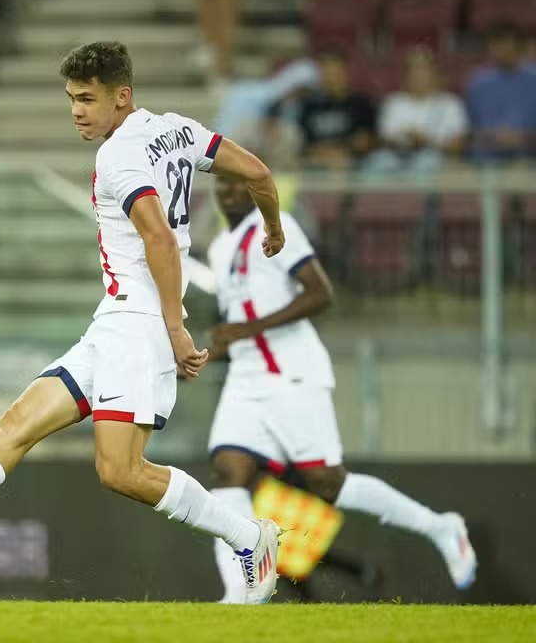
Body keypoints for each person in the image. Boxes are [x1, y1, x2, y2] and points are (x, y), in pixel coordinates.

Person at [0, 41, 288, 604]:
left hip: (140, 329)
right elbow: (259, 172)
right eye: (71, 98)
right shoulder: (178, 129)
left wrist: (174, 328)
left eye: (87, 99)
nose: (76, 110)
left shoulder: (117, 157)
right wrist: (272, 226)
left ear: (121, 96)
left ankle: (249, 539)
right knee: (17, 424)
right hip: (113, 325)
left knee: (121, 471)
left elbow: (159, 239)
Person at [203, 173, 478, 603]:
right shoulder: (220, 249)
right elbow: (239, 321)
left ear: (260, 191)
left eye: (238, 184)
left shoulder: (278, 229)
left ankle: (441, 527)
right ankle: (239, 590)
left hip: (293, 373)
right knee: (227, 472)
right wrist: (208, 351)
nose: (226, 191)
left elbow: (320, 293)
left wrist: (246, 329)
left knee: (329, 483)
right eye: (221, 184)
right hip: (246, 377)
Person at [366, 49, 468, 172]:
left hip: (437, 157)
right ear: (405, 75)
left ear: (434, 73)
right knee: (376, 163)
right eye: (413, 70)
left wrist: (427, 141)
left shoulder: (449, 103)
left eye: (424, 70)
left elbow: (458, 145)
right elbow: (383, 138)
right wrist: (407, 138)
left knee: (427, 162)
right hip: (397, 156)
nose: (419, 75)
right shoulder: (394, 102)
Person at [285, 50, 377, 170]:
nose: (330, 78)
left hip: (352, 161)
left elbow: (365, 141)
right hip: (314, 160)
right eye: (325, 73)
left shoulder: (360, 104)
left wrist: (339, 150)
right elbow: (302, 142)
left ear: (344, 72)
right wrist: (321, 152)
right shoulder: (309, 105)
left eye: (334, 72)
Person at [466, 21, 536, 161]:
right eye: (493, 44)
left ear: (518, 45)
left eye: (503, 43)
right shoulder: (478, 83)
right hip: (486, 160)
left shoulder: (533, 80)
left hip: (529, 159)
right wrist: (492, 136)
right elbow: (469, 129)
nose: (498, 49)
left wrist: (522, 137)